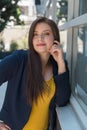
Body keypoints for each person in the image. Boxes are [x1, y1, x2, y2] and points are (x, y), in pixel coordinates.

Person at [0, 16, 71, 130]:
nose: (40, 38)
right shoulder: (19, 59)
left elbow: (62, 100)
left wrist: (61, 63)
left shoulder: (58, 65)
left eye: (46, 33)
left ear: (55, 38)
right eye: (35, 34)